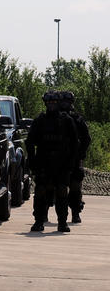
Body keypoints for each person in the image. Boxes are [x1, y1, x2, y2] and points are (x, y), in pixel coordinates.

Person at [26, 91, 79, 233]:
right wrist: (32, 162)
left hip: (62, 164)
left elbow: (75, 143)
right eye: (49, 103)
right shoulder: (40, 120)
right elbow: (30, 142)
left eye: (54, 103)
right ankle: (38, 221)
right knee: (41, 192)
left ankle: (62, 222)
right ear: (45, 103)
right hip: (43, 163)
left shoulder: (67, 120)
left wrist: (71, 163)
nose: (52, 105)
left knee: (62, 192)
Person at [60, 91, 90, 223]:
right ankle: (43, 214)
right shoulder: (54, 119)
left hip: (74, 158)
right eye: (63, 101)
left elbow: (86, 139)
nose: (66, 104)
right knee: (52, 186)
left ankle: (75, 213)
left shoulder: (78, 119)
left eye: (68, 101)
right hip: (58, 159)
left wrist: (81, 153)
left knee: (75, 187)